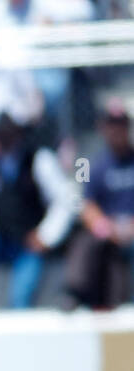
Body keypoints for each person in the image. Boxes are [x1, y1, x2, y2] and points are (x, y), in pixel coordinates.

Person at [0, 113, 74, 310]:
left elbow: (65, 200)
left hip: (26, 243)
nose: (2, 139)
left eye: (6, 134)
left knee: (20, 300)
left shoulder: (38, 159)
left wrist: (46, 235)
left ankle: (20, 313)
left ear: (18, 135)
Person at [64, 97, 134, 309]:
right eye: (111, 125)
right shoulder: (94, 165)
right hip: (109, 229)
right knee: (89, 241)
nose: (116, 130)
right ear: (103, 128)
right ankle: (75, 292)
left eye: (120, 125)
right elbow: (87, 205)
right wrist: (105, 226)